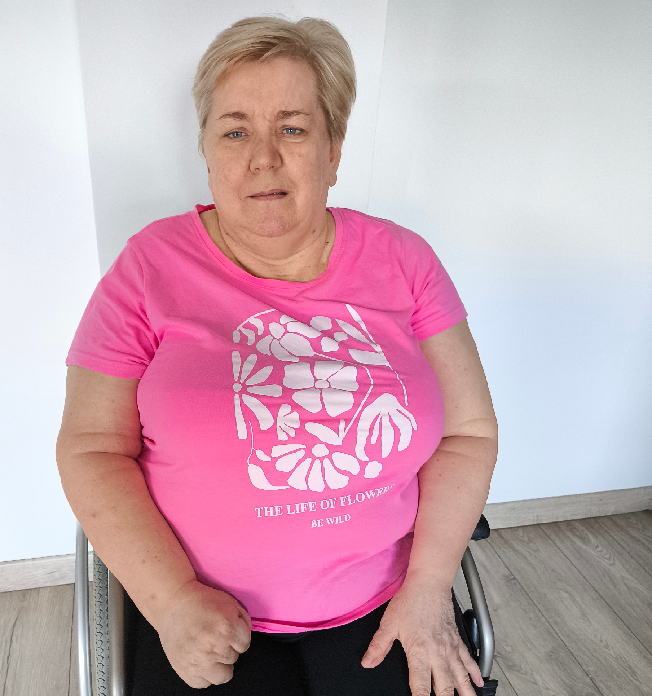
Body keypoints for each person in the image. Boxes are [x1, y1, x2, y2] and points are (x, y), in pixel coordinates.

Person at [57, 15, 498, 696]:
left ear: (333, 150)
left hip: (387, 604)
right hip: (201, 608)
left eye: (292, 129)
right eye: (235, 132)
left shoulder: (405, 261)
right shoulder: (148, 269)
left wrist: (431, 587)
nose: (263, 157)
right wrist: (171, 601)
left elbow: (469, 433)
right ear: (207, 151)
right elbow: (91, 446)